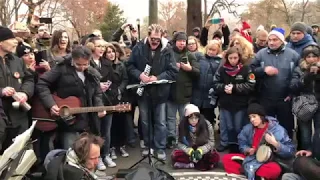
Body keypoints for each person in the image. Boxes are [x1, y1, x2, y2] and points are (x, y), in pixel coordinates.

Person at [36, 46, 106, 150]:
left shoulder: (91, 73)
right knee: (71, 153)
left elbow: (97, 92)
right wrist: (51, 104)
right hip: (68, 120)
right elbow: (42, 84)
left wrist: (99, 106)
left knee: (87, 152)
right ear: (73, 60)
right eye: (78, 64)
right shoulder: (61, 68)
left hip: (88, 120)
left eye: (85, 64)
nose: (82, 67)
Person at [126, 24, 178, 160]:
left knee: (160, 121)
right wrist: (139, 75)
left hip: (160, 92)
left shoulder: (167, 50)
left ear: (161, 37)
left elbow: (173, 71)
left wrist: (158, 77)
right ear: (148, 36)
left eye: (157, 39)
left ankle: (160, 148)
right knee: (144, 121)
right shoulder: (138, 48)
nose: (154, 41)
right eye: (152, 38)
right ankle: (148, 145)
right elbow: (129, 66)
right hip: (143, 91)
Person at [222, 103, 295, 180]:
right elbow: (242, 143)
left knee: (274, 170)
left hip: (270, 161)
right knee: (226, 159)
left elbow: (290, 151)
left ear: (261, 116)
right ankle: (255, 173)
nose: (252, 120)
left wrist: (275, 143)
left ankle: (249, 171)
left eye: (254, 116)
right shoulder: (248, 128)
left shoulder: (277, 130)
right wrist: (247, 150)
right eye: (250, 117)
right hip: (252, 158)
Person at [250, 27, 300, 138]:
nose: (271, 42)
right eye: (270, 40)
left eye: (275, 40)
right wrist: (263, 70)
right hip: (266, 97)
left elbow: (298, 75)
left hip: (285, 98)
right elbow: (251, 71)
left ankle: (286, 148)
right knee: (267, 125)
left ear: (282, 41)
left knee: (286, 126)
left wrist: (291, 93)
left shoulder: (293, 55)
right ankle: (267, 147)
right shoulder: (261, 54)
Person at [213, 47, 256, 152]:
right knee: (226, 126)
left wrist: (235, 88)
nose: (233, 60)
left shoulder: (246, 69)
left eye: (235, 58)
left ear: (239, 58)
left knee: (238, 126)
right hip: (225, 103)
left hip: (240, 104)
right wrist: (224, 88)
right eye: (230, 58)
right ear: (227, 58)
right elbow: (215, 83)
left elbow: (251, 85)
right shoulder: (222, 69)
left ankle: (239, 143)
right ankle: (224, 142)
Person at [0, 26, 34, 152]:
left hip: (18, 116)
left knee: (19, 153)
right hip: (1, 117)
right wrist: (1, 91)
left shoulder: (17, 61)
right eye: (11, 38)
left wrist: (25, 93)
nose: (15, 42)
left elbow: (29, 79)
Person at [171, 104, 220, 170]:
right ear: (187, 118)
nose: (194, 120)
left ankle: (190, 163)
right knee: (175, 155)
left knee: (214, 156)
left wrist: (200, 151)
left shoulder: (207, 124)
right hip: (188, 149)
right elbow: (178, 142)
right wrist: (189, 151)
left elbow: (211, 142)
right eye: (191, 118)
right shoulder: (181, 125)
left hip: (202, 149)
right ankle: (193, 163)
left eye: (196, 118)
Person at [290, 45, 320, 150]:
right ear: (304, 58)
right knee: (305, 135)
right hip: (304, 105)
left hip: (319, 103)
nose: (311, 59)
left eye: (314, 56)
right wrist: (307, 76)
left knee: (318, 134)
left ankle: (316, 156)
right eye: (308, 56)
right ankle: (305, 157)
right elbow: (293, 87)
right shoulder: (299, 69)